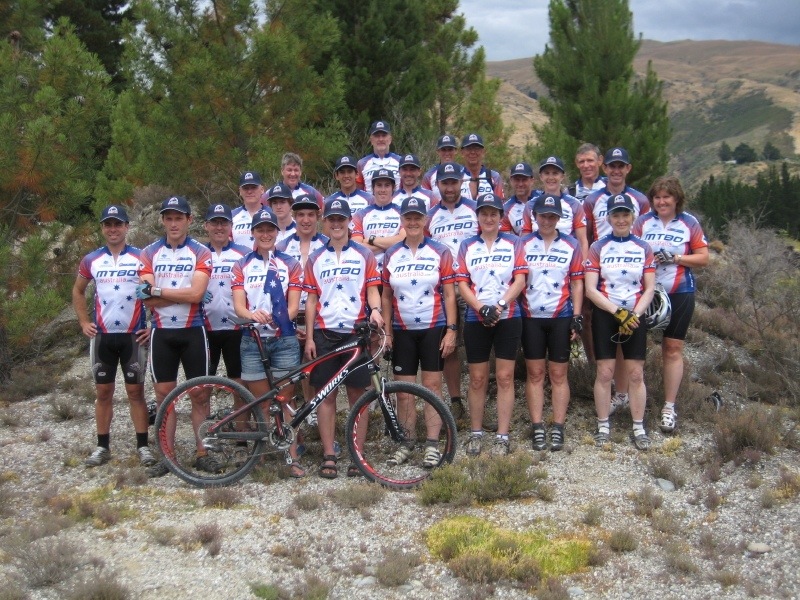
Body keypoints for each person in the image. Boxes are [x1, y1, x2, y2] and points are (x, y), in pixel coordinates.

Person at [303, 199, 385, 479]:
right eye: (331, 220)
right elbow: (311, 300)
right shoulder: (315, 258)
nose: (336, 224)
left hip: (356, 333)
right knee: (326, 396)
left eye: (341, 219)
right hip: (326, 335)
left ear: (350, 221)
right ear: (324, 223)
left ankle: (357, 454)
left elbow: (373, 289)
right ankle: (329, 455)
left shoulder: (365, 255)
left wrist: (375, 310)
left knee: (357, 396)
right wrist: (310, 338)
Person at [136, 196, 213, 477]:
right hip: (162, 334)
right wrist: (175, 295)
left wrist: (160, 292)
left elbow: (197, 295)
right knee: (164, 397)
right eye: (168, 218)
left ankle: (203, 452)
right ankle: (167, 456)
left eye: (178, 218)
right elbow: (145, 299)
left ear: (189, 220)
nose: (173, 223)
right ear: (162, 221)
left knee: (200, 395)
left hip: (193, 330)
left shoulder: (201, 252)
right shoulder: (148, 253)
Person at [72, 205, 154, 467]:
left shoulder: (141, 257)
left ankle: (143, 446)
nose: (113, 229)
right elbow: (78, 291)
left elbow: (153, 291)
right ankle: (102, 446)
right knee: (103, 392)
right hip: (103, 337)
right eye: (108, 224)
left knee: (135, 392)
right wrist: (84, 322)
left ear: (127, 227)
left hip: (133, 335)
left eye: (118, 224)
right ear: (102, 228)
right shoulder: (92, 259)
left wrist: (152, 323)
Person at [381, 197, 458, 467]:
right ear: (401, 221)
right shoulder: (391, 254)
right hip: (402, 330)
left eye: (417, 217)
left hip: (433, 326)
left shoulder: (441, 251)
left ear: (425, 220)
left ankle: (432, 444)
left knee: (433, 386)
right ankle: (407, 442)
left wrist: (451, 330)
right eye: (408, 218)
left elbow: (449, 294)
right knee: (404, 391)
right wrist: (387, 332)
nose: (413, 222)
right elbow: (386, 295)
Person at [231, 207, 305, 476]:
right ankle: (261, 456)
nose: (265, 234)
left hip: (283, 338)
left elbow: (295, 306)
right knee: (262, 402)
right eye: (260, 229)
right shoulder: (241, 265)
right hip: (252, 340)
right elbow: (239, 306)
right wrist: (252, 315)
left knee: (286, 400)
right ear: (252, 233)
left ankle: (292, 457)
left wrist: (277, 316)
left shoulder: (291, 264)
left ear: (277, 232)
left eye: (270, 229)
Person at [633, 176, 709, 433]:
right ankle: (627, 398)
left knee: (673, 347)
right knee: (634, 348)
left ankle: (669, 406)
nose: (661, 201)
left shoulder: (689, 222)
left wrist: (676, 257)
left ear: (677, 198)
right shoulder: (642, 222)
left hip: (680, 290)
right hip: (646, 293)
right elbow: (630, 251)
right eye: (657, 197)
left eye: (666, 197)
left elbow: (703, 257)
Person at [456, 193, 527, 456]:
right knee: (477, 378)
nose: (488, 218)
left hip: (507, 317)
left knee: (506, 377)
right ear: (477, 216)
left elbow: (519, 280)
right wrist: (480, 308)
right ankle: (476, 433)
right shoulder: (467, 245)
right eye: (484, 213)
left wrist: (498, 306)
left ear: (501, 216)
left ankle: (503, 435)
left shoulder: (514, 243)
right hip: (476, 318)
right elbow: (462, 283)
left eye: (493, 214)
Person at [584, 193, 656, 450]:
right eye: (617, 215)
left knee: (636, 373)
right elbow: (591, 289)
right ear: (609, 217)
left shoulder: (643, 248)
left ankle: (639, 426)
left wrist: (634, 314)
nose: (621, 219)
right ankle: (603, 424)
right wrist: (618, 312)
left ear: (633, 217)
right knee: (605, 372)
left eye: (626, 214)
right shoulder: (598, 247)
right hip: (606, 313)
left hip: (635, 314)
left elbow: (649, 288)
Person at [584, 147, 650, 410]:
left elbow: (643, 232)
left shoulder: (640, 199)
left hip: (632, 277)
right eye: (611, 165)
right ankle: (611, 396)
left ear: (628, 168)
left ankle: (623, 396)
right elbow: (586, 234)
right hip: (602, 273)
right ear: (604, 167)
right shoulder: (592, 200)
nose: (616, 170)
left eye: (621, 165)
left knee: (631, 353)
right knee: (605, 351)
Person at [519, 195, 584, 451]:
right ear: (535, 217)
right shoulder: (522, 244)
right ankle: (537, 427)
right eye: (543, 215)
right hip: (531, 316)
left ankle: (558, 425)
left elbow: (577, 282)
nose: (547, 220)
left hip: (560, 316)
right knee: (535, 374)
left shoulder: (571, 244)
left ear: (558, 218)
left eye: (551, 216)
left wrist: (577, 315)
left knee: (558, 374)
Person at [425, 162, 479, 419]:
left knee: (479, 346)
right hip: (444, 289)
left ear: (461, 183)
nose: (449, 187)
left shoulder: (475, 210)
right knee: (450, 346)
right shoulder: (430, 215)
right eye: (444, 183)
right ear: (438, 185)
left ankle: (479, 397)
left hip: (472, 287)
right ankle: (456, 399)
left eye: (453, 182)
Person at [276, 194, 330, 425]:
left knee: (313, 367)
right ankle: (291, 418)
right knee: (289, 371)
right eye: (300, 215)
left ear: (318, 216)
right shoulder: (281, 245)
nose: (305, 220)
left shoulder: (328, 244)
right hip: (289, 315)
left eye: (310, 215)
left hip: (316, 315)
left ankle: (313, 414)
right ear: (294, 216)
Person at [202, 204, 250, 385]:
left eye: (224, 223)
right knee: (203, 384)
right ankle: (204, 415)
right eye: (215, 223)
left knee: (239, 383)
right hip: (205, 327)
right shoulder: (197, 253)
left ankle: (239, 414)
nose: (219, 227)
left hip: (237, 328)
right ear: (206, 225)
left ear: (231, 226)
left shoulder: (244, 254)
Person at [521, 156, 589, 259]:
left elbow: (583, 241)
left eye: (555, 173)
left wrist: (583, 265)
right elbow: (524, 240)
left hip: (566, 259)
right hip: (536, 259)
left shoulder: (574, 204)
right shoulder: (530, 205)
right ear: (541, 176)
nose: (551, 177)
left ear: (562, 176)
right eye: (547, 173)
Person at [351, 168, 405, 270]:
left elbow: (403, 240)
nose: (383, 190)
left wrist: (371, 240)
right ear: (373, 188)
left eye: (387, 185)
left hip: (396, 270)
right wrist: (388, 243)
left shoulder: (403, 213)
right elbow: (357, 248)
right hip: (370, 271)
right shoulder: (360, 215)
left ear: (393, 188)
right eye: (379, 185)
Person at [357, 120, 401, 194]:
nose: (381, 139)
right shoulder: (361, 164)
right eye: (377, 136)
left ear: (390, 139)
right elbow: (359, 192)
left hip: (396, 204)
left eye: (384, 135)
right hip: (370, 204)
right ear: (371, 140)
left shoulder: (400, 161)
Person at [459, 133, 504, 201]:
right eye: (469, 149)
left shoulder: (494, 177)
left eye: (477, 149)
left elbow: (500, 205)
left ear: (483, 152)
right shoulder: (456, 177)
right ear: (462, 152)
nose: (473, 152)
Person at [500, 162, 537, 236]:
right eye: (517, 180)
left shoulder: (543, 198)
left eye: (524, 180)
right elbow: (505, 239)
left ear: (532, 181)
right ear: (511, 181)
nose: (520, 184)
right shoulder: (506, 209)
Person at [231, 170, 266, 248]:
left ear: (262, 189)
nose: (249, 191)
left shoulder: (272, 214)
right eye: (245, 188)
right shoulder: (231, 215)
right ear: (240, 191)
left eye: (254, 187)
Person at [421, 134, 460, 203]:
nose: (447, 153)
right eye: (443, 150)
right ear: (438, 152)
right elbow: (425, 199)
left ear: (456, 151)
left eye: (450, 149)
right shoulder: (429, 176)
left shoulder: (464, 172)